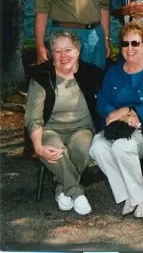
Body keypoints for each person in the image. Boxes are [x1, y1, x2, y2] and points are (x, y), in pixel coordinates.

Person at [90, 21, 143, 219]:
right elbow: (103, 102)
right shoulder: (114, 71)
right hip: (117, 127)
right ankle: (129, 195)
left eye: (135, 43)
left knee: (121, 148)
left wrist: (129, 110)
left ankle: (141, 199)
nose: (130, 49)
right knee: (97, 147)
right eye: (125, 44)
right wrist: (118, 115)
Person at [25, 30, 104, 215]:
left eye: (68, 50)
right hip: (50, 129)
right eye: (57, 51)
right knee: (53, 151)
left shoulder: (91, 74)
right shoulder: (41, 76)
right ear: (52, 54)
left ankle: (62, 188)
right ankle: (76, 192)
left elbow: (108, 100)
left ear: (78, 50)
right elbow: (34, 117)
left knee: (83, 146)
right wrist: (38, 146)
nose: (63, 56)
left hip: (82, 128)